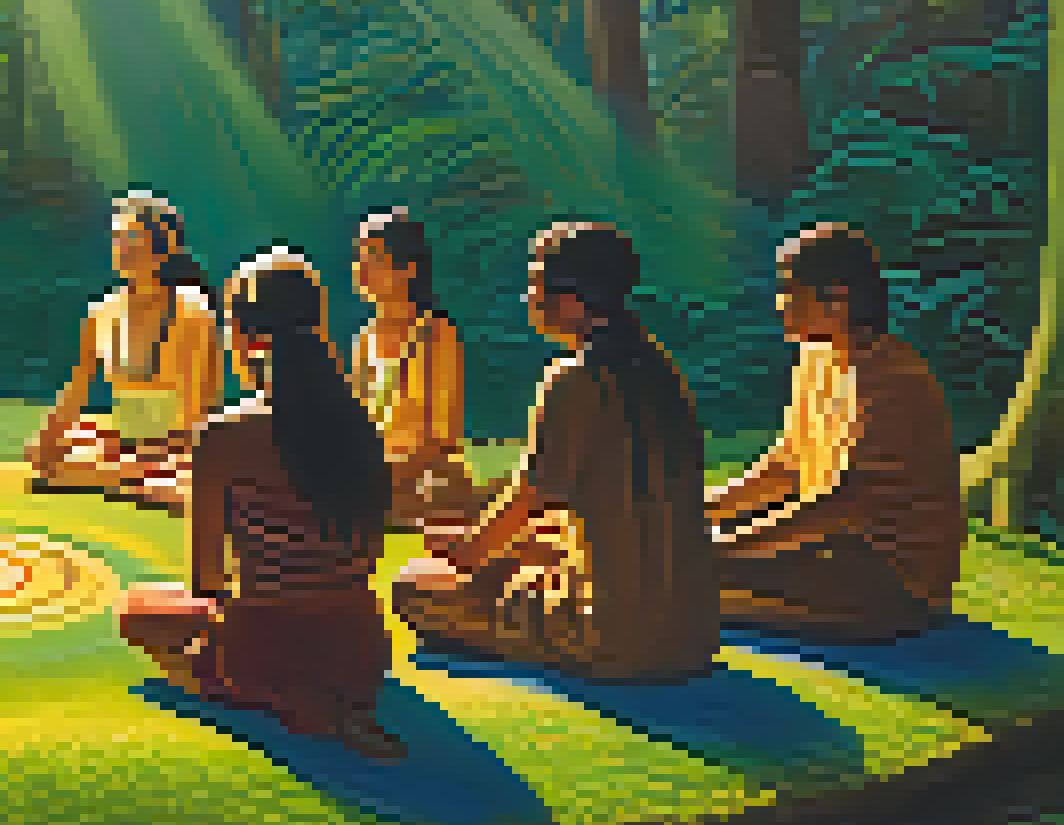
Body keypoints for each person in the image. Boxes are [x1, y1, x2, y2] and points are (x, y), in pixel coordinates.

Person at [391, 222, 717, 683]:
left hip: (614, 634)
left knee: (414, 585)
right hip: (693, 631)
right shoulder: (663, 373)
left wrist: (468, 548)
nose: (528, 300)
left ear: (569, 301)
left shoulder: (572, 380)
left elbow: (531, 496)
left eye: (534, 285)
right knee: (529, 550)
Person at [118, 248, 404, 763]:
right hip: (361, 648)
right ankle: (326, 697)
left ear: (246, 339)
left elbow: (207, 584)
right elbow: (367, 554)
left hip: (263, 643)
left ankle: (282, 697)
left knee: (138, 611)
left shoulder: (224, 437)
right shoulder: (360, 424)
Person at [707, 223, 963, 641]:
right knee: (674, 563)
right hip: (832, 549)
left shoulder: (891, 379)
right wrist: (697, 514)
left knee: (676, 582)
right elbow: (785, 469)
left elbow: (841, 505)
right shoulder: (817, 357)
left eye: (790, 293)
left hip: (893, 580)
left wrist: (720, 548)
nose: (779, 305)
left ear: (838, 299)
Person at [26, 192, 223, 513]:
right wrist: (48, 444)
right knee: (56, 460)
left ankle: (131, 480)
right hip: (123, 444)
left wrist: (144, 450)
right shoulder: (101, 312)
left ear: (163, 248)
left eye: (134, 238)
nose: (124, 248)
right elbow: (76, 391)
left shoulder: (196, 311)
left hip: (178, 449)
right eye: (118, 238)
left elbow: (199, 414)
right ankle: (129, 480)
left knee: (185, 476)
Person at [349, 208, 482, 529]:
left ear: (408, 270)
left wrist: (382, 477)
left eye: (374, 259)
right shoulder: (363, 340)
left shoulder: (435, 334)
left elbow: (440, 438)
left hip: (423, 480)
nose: (361, 270)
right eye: (359, 259)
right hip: (375, 478)